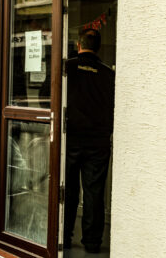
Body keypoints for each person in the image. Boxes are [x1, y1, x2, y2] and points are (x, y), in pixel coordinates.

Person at [63, 28, 115, 254]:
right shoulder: (108, 73)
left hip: (71, 138)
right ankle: (93, 242)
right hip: (98, 141)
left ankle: (64, 235)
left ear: (78, 45)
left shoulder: (68, 68)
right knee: (94, 192)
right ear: (99, 47)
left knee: (69, 190)